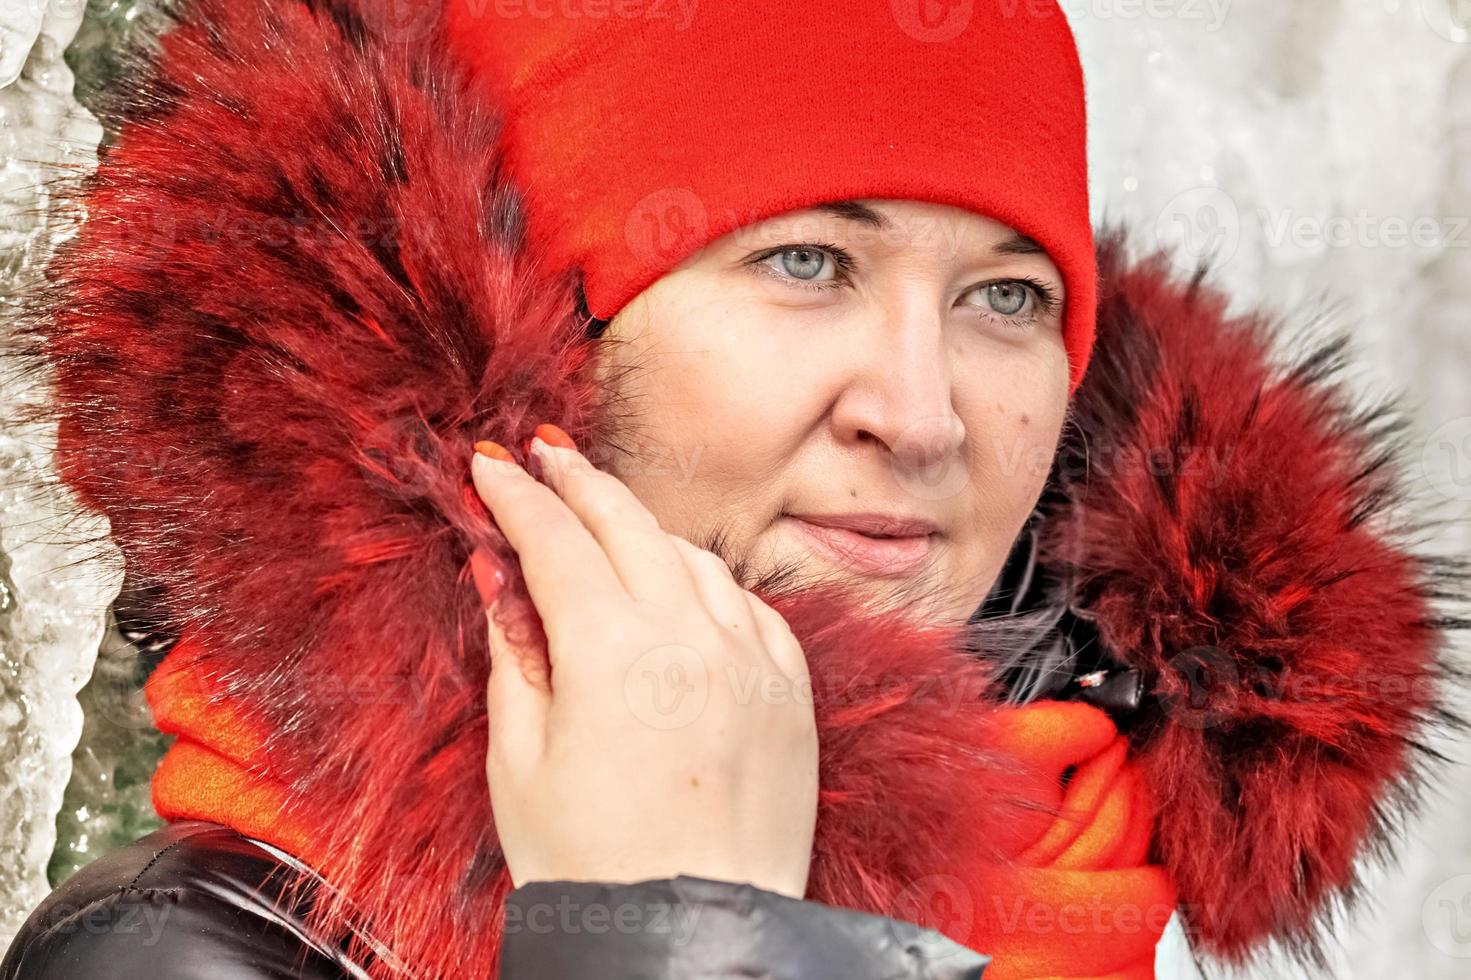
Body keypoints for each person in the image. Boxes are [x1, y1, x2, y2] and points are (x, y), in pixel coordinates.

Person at [1, 0, 1456, 978]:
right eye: (805, 263)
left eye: (1004, 297)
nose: (923, 412)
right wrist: (677, 927)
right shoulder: (203, 952)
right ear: (543, 329)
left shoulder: (1084, 857)